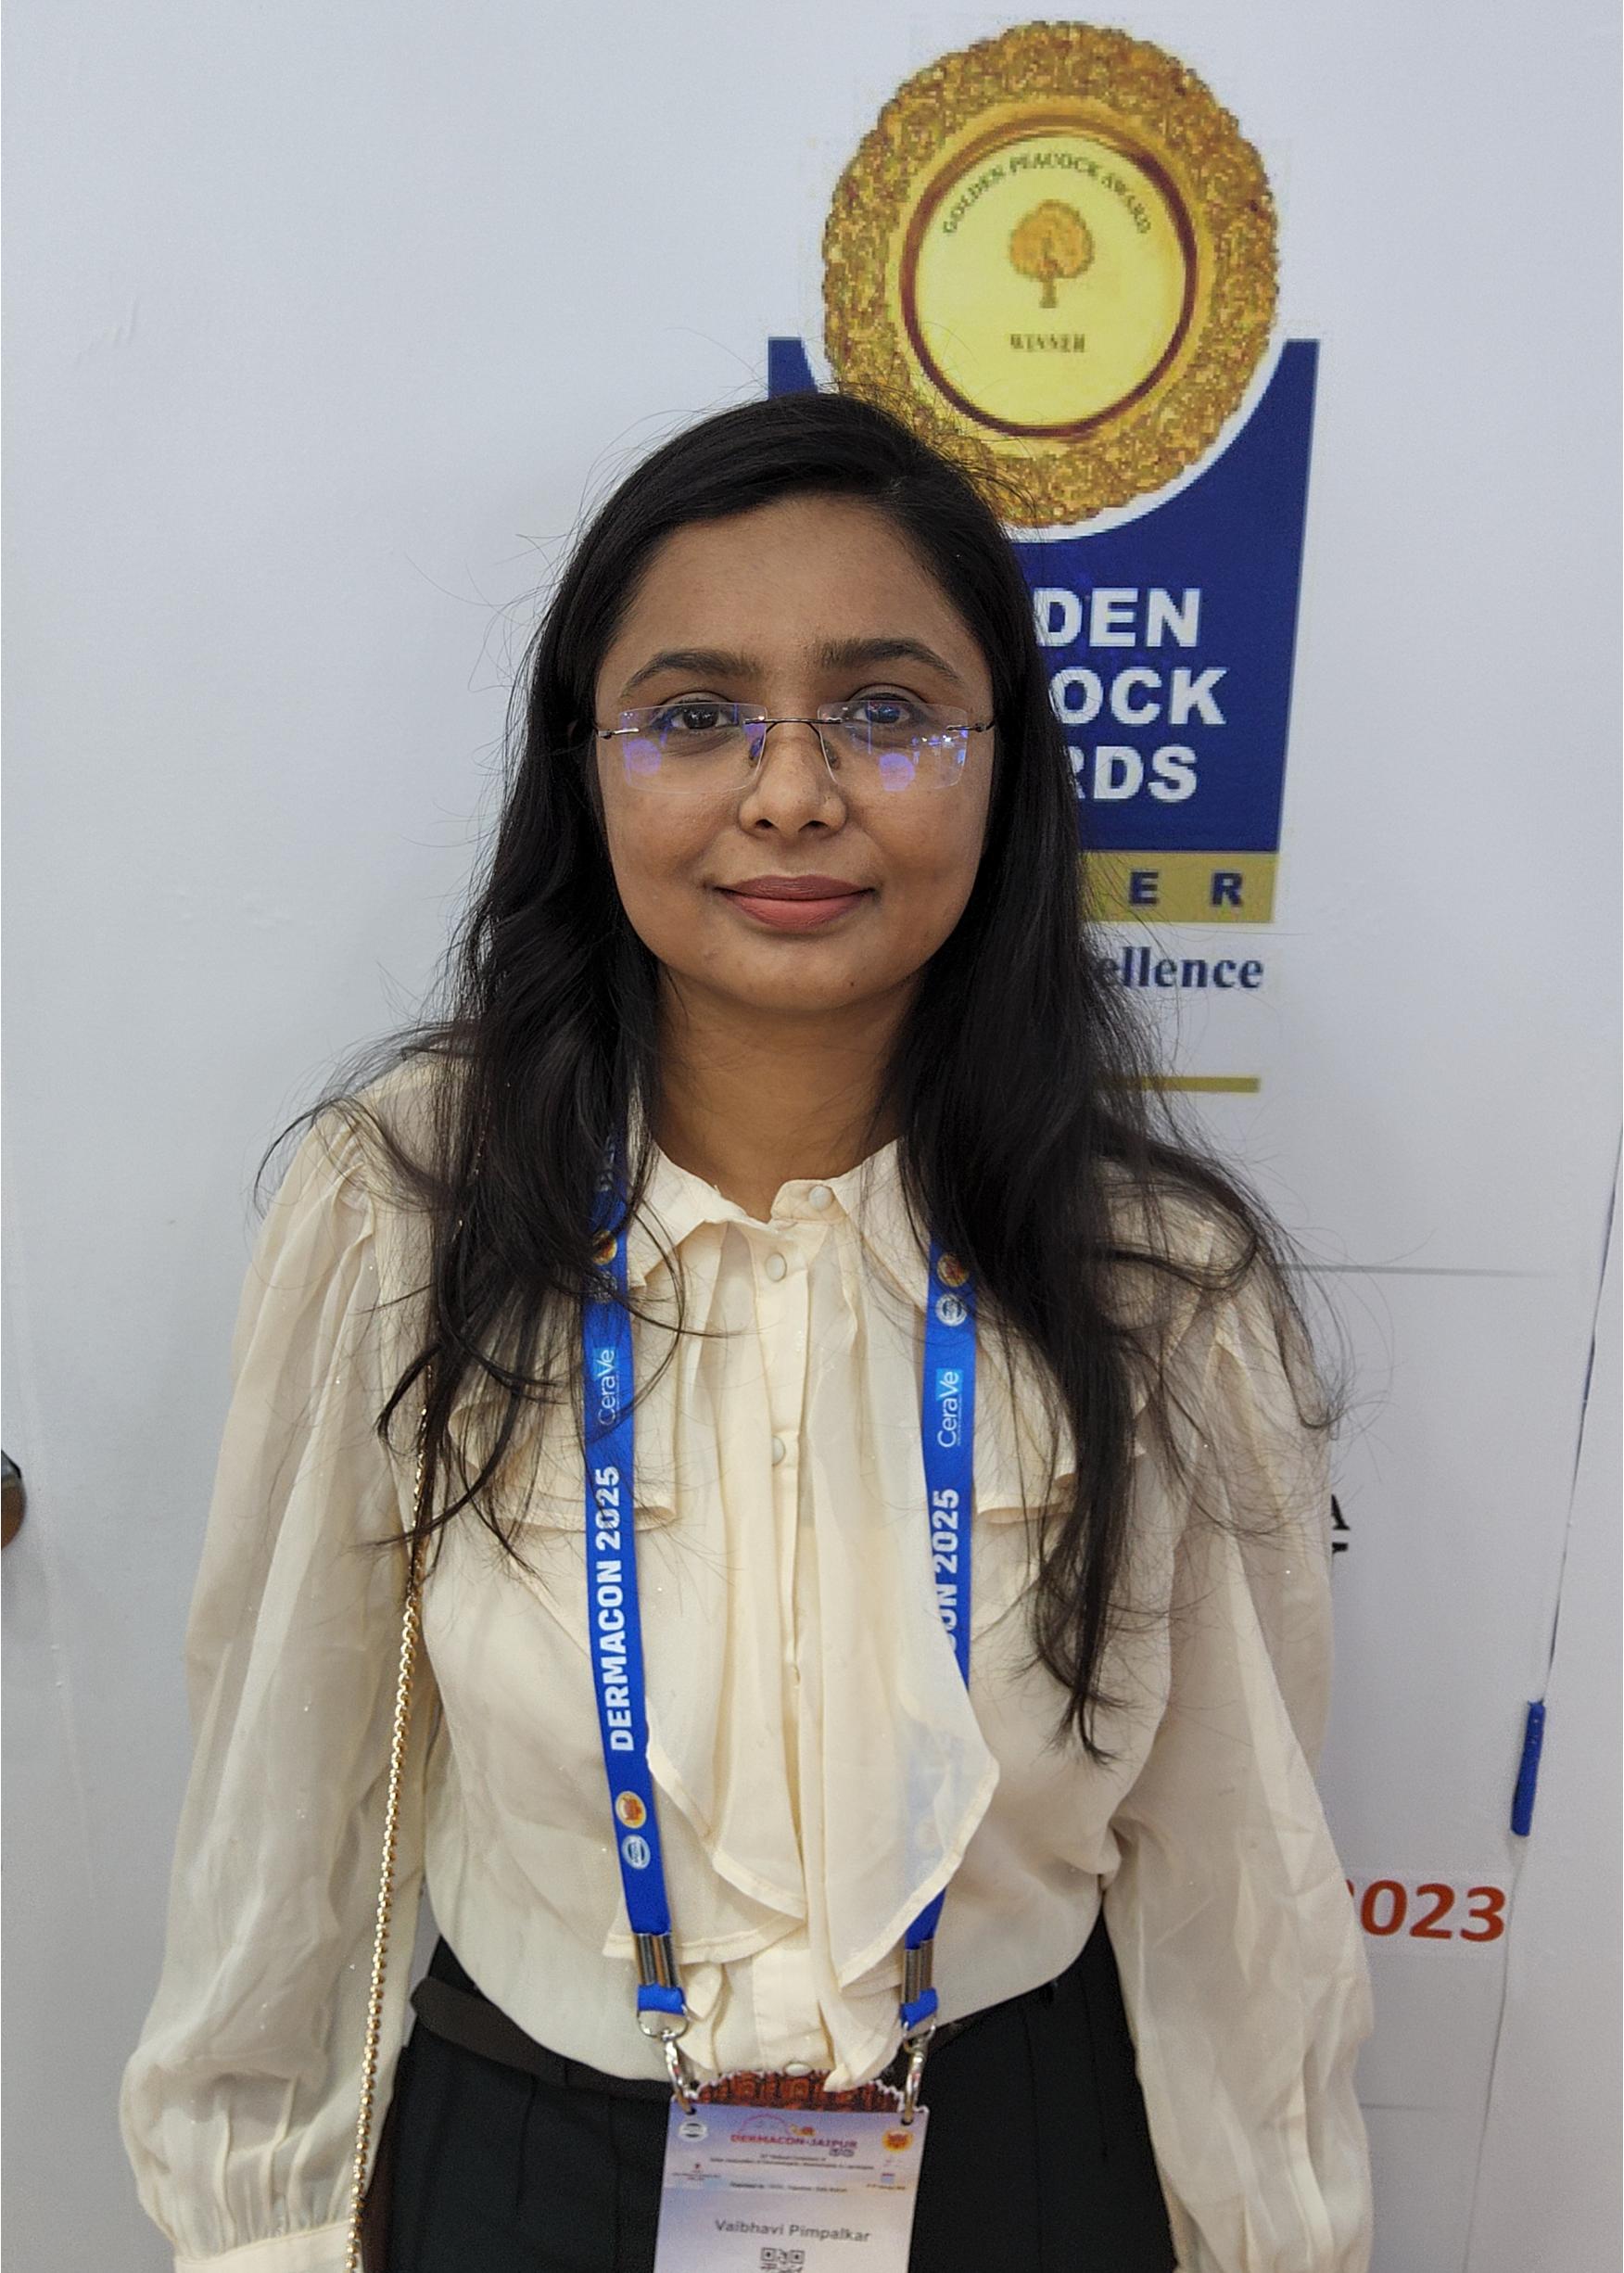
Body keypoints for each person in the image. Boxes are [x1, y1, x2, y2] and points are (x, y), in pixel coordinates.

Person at [119, 388, 1375, 2272]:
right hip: (531, 2165)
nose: (791, 792)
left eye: (886, 711)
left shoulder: (1152, 1279)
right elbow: (286, 1808)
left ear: (1004, 768)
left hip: (1021, 2163)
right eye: (696, 715)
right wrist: (263, 2234)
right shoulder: (407, 1207)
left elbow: (1237, 1880)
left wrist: (1273, 2238)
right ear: (590, 766)